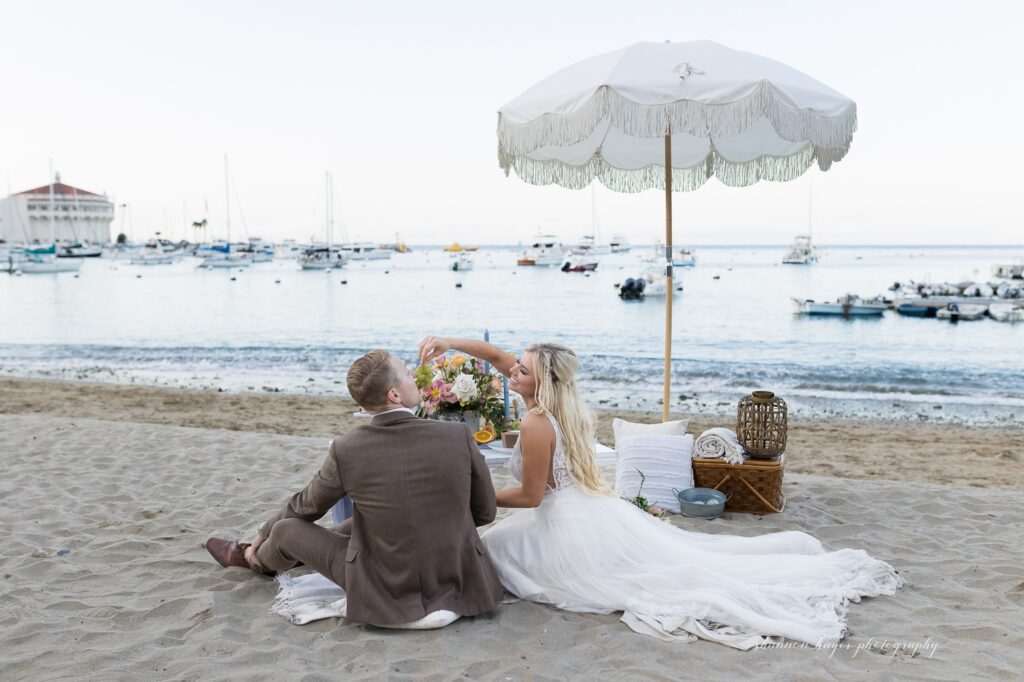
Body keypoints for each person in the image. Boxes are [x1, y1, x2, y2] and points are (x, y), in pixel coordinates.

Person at [418, 336, 902, 650]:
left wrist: (470, 493)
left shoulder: (535, 422)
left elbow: (530, 497)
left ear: (539, 379)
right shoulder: (556, 403)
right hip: (588, 510)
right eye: (516, 365)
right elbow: (497, 356)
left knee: (491, 551)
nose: (511, 372)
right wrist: (447, 343)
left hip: (562, 523)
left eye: (521, 370)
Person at [204, 349, 504, 628]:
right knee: (355, 524)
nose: (413, 374)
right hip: (459, 575)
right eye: (406, 372)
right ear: (394, 394)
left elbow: (305, 507)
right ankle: (268, 553)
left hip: (384, 585)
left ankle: (254, 558)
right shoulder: (458, 434)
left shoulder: (347, 448)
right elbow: (485, 512)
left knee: (285, 530)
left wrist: (263, 532)